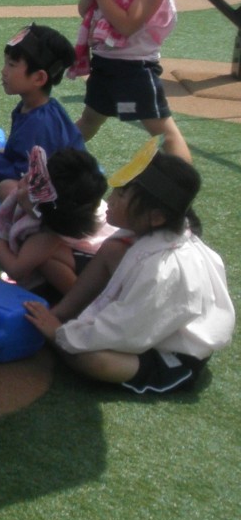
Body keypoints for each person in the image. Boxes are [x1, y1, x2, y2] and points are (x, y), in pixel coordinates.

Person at [25, 149, 233, 395]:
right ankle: (62, 312)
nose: (110, 199)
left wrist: (60, 335)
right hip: (144, 326)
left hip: (172, 352)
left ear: (156, 217)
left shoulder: (162, 274)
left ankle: (61, 334)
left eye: (122, 194)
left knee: (95, 361)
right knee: (112, 248)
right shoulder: (149, 235)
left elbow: (124, 332)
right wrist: (59, 316)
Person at [72, 0, 189, 162]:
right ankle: (47, 159)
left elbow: (127, 26)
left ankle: (185, 178)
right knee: (89, 120)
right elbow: (85, 10)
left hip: (134, 70)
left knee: (164, 134)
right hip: (105, 64)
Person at [0, 24, 85, 201]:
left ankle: (31, 219)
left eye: (11, 64)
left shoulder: (40, 123)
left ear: (39, 78)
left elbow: (30, 174)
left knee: (7, 188)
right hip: (57, 186)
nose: (3, 71)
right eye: (5, 63)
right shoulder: (35, 108)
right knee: (0, 154)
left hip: (63, 199)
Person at [0, 147, 116, 296]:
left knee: (46, 259)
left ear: (39, 206)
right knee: (6, 187)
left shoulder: (47, 236)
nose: (27, 176)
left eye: (32, 182)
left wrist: (0, 244)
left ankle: (78, 298)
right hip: (98, 251)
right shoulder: (74, 205)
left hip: (98, 274)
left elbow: (16, 270)